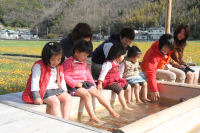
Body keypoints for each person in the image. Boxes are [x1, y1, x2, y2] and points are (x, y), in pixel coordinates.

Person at [63, 40, 119, 123]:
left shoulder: (83, 62)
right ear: (77, 52)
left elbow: (88, 74)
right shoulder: (68, 62)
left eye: (87, 56)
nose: (86, 58)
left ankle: (111, 110)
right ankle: (93, 116)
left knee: (98, 93)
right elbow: (65, 76)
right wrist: (75, 83)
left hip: (84, 83)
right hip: (74, 85)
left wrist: (92, 83)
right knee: (87, 95)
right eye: (84, 55)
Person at [22, 42, 72, 119]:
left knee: (68, 98)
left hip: (56, 89)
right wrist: (36, 97)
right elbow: (34, 82)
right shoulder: (39, 66)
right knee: (55, 102)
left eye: (58, 59)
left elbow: (62, 80)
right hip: (44, 90)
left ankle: (66, 120)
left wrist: (64, 91)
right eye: (53, 59)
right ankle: (59, 121)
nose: (56, 62)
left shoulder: (59, 66)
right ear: (46, 57)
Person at [97, 43, 134, 111]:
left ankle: (128, 101)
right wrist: (100, 83)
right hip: (109, 82)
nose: (123, 57)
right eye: (122, 56)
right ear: (117, 55)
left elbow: (118, 73)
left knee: (128, 87)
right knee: (121, 91)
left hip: (116, 80)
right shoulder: (108, 63)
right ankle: (124, 106)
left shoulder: (117, 63)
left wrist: (120, 79)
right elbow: (103, 73)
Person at [141, 34, 175, 101]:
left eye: (169, 48)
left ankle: (177, 95)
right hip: (147, 70)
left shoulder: (167, 50)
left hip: (160, 67)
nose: (166, 50)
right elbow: (151, 72)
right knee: (171, 76)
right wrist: (154, 89)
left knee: (181, 74)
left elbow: (166, 59)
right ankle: (168, 98)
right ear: (161, 44)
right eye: (165, 47)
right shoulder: (153, 53)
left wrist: (166, 64)